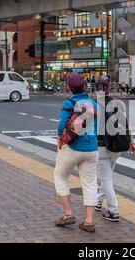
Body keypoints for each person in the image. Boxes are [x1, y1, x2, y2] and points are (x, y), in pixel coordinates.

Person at [54, 72, 99, 233]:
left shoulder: (70, 103)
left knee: (60, 176)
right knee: (90, 183)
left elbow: (61, 127)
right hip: (92, 149)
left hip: (73, 148)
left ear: (70, 87)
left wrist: (60, 140)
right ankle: (88, 221)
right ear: (85, 86)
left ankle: (68, 214)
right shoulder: (94, 104)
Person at [94, 76, 135, 222]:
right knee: (108, 175)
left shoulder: (93, 105)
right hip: (117, 145)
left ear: (95, 87)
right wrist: (131, 140)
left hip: (101, 146)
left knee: (106, 177)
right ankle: (98, 202)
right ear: (108, 88)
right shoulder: (116, 103)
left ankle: (113, 211)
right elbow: (126, 122)